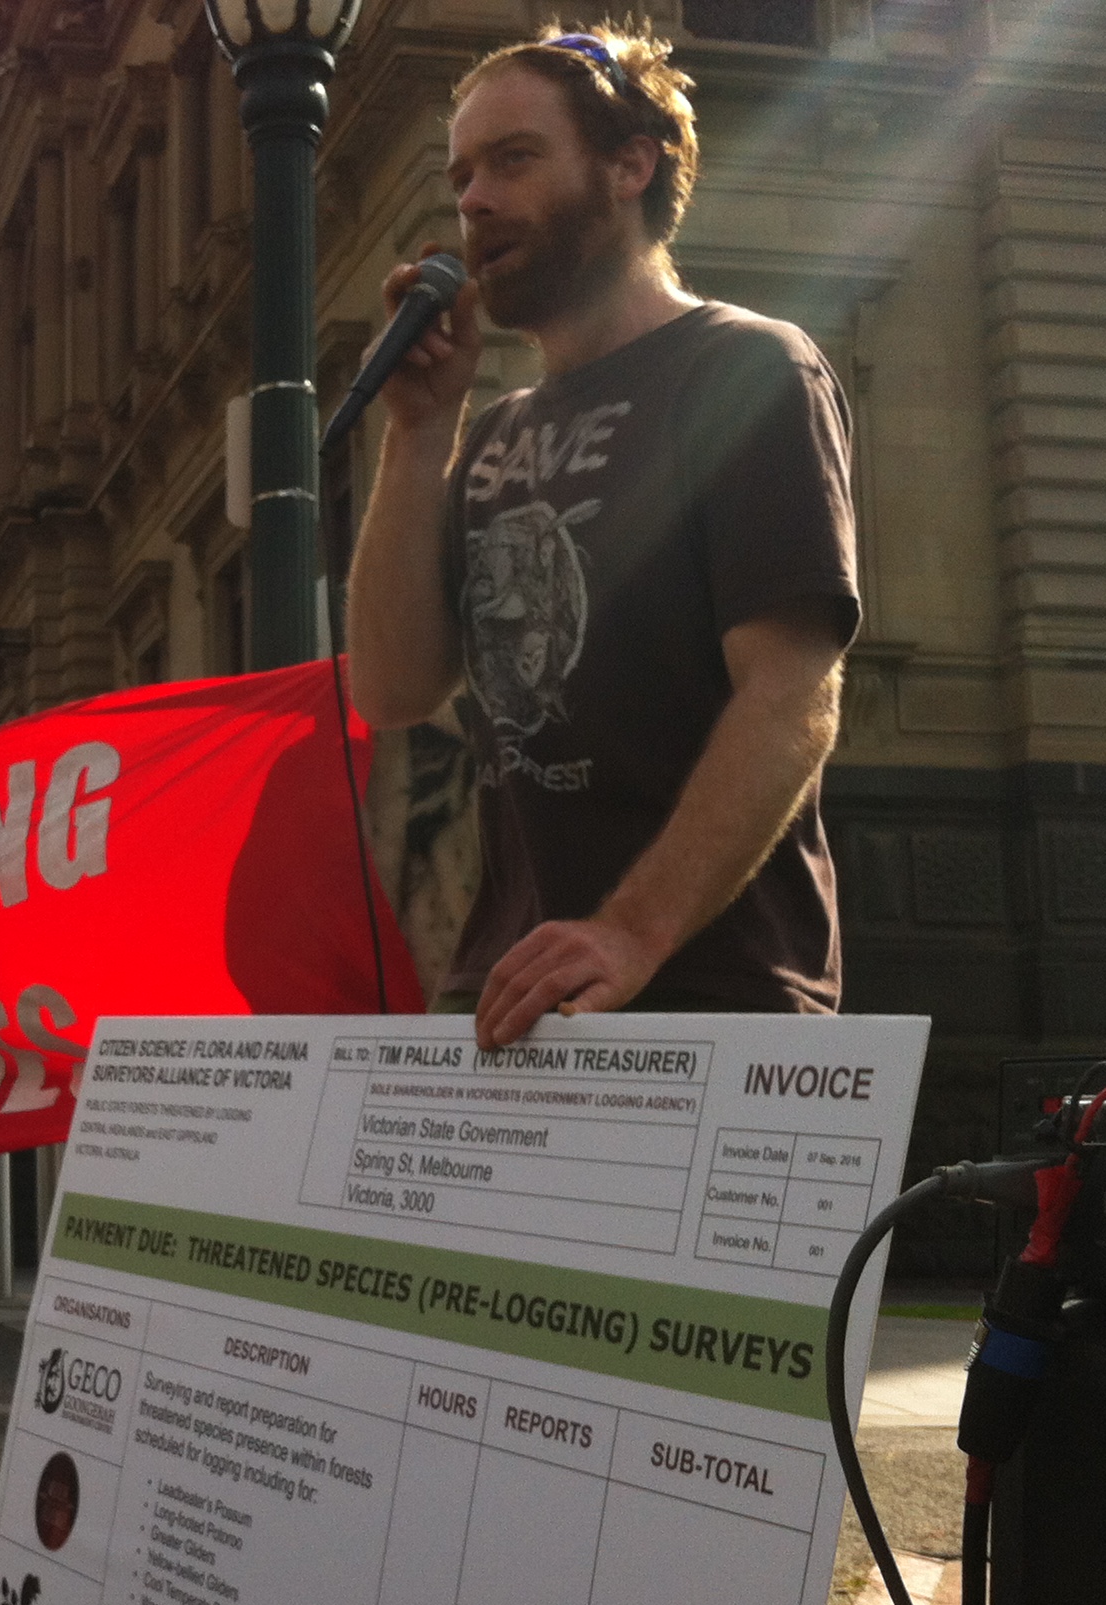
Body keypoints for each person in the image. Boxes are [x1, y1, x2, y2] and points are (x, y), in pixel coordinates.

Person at [347, 23, 855, 1051]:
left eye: (515, 159)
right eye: (462, 175)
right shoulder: (490, 433)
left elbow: (793, 696)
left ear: (631, 165)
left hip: (708, 992)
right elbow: (393, 687)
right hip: (515, 990)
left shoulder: (747, 370)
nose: (475, 199)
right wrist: (418, 435)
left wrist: (631, 932)